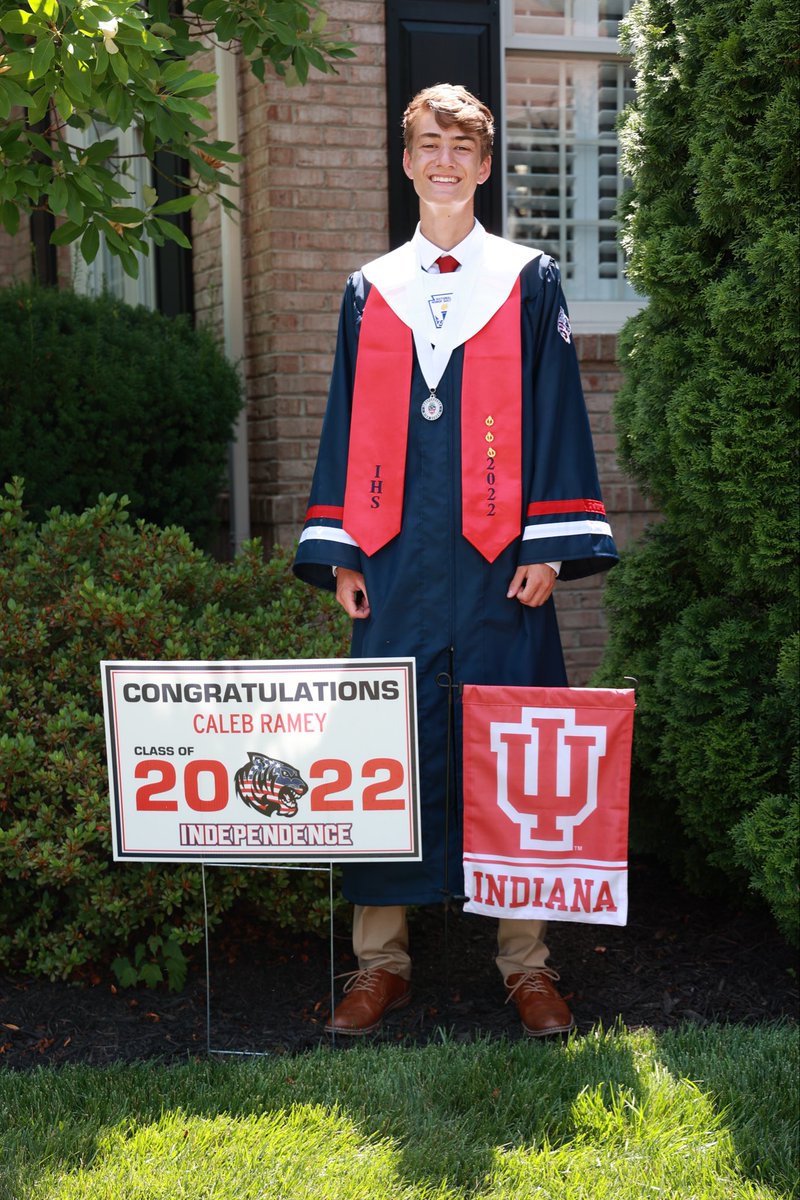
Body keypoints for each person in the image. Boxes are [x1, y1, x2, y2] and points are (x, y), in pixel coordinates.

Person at [293, 83, 618, 1037]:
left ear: (484, 165)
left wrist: (550, 551)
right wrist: (344, 553)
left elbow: (558, 410)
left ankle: (527, 963)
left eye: (462, 147)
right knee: (383, 742)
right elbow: (347, 422)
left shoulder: (526, 278)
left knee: (512, 737)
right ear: (407, 162)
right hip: (393, 559)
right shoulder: (371, 286)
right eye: (428, 145)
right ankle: (379, 963)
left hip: (498, 562)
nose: (443, 160)